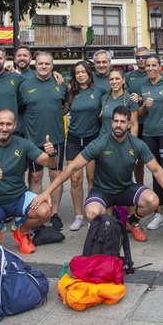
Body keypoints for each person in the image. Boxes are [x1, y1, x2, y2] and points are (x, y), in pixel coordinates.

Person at [31, 105, 163, 242]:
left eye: (122, 122)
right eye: (116, 121)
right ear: (111, 122)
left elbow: (156, 170)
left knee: (153, 200)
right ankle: (108, 227)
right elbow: (72, 168)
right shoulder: (100, 143)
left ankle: (132, 221)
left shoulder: (137, 144)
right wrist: (47, 192)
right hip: (102, 191)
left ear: (129, 124)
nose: (118, 125)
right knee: (91, 212)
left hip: (125, 189)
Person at [0, 110, 56, 257]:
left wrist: (52, 154)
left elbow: (49, 163)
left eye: (9, 124)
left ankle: (22, 232)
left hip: (18, 198)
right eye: (1, 123)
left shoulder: (23, 144)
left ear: (15, 125)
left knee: (45, 211)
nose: (4, 128)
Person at [17, 52, 67, 227]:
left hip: (57, 138)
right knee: (35, 177)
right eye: (40, 63)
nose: (44, 66)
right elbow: (19, 108)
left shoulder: (61, 84)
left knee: (56, 176)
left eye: (47, 63)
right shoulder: (25, 86)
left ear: (52, 66)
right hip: (33, 140)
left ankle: (54, 213)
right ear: (34, 65)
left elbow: (66, 105)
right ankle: (37, 212)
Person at [136, 55, 163, 233]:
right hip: (149, 134)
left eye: (154, 65)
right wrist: (144, 104)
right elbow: (140, 113)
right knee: (155, 174)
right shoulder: (143, 85)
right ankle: (159, 214)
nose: (151, 68)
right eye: (148, 66)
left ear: (160, 66)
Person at [63, 61, 101, 231]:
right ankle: (78, 216)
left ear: (89, 73)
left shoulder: (98, 90)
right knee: (75, 179)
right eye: (77, 72)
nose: (80, 75)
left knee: (91, 179)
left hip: (92, 139)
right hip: (73, 140)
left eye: (83, 72)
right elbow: (62, 110)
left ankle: (90, 214)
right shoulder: (71, 92)